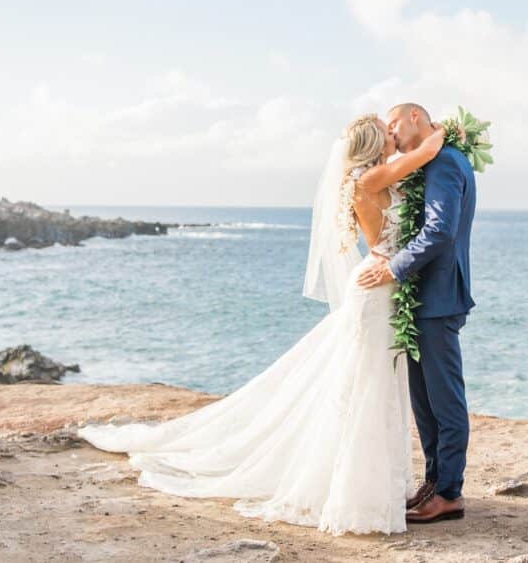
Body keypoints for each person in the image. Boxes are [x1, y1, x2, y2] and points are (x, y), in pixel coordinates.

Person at [79, 113, 446, 535]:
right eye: (387, 130)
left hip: (383, 287)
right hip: (376, 288)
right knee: (369, 387)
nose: (393, 134)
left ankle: (379, 487)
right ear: (372, 143)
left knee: (380, 386)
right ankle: (360, 497)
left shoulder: (375, 176)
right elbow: (427, 151)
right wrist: (452, 131)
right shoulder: (369, 179)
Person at [357, 102, 477, 524]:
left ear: (414, 118)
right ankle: (433, 483)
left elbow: (440, 230)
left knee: (444, 401)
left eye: (392, 123)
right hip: (421, 299)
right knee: (424, 402)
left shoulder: (444, 161)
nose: (390, 133)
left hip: (438, 296)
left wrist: (393, 267)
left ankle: (449, 493)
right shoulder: (433, 158)